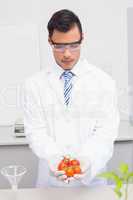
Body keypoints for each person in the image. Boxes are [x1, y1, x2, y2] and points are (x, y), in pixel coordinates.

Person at [21, 9, 120, 187]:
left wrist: (86, 160)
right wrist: (53, 158)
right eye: (59, 46)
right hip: (50, 184)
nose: (67, 54)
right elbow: (36, 131)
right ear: (50, 41)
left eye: (73, 45)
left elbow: (106, 132)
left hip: (92, 182)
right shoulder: (33, 84)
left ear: (82, 39)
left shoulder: (104, 82)